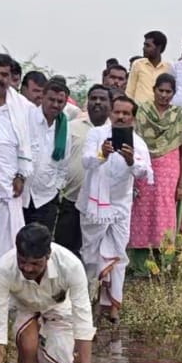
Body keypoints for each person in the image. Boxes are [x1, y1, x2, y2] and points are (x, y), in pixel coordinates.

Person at [0, 224, 94, 363]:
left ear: (48, 256)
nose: (28, 268)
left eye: (35, 263)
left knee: (61, 358)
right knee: (28, 345)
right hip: (23, 305)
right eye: (23, 262)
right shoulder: (3, 269)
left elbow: (83, 319)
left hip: (57, 306)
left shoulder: (70, 265)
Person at [80, 96, 151, 324]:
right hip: (94, 205)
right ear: (111, 113)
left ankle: (112, 307)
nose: (120, 117)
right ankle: (87, 303)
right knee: (90, 256)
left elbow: (144, 173)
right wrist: (103, 154)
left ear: (133, 117)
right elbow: (86, 161)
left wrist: (131, 161)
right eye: (117, 112)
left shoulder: (138, 143)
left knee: (119, 255)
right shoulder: (96, 134)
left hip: (121, 206)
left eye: (126, 114)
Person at [0, 53, 36, 301]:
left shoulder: (24, 107)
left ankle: (4, 305)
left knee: (10, 253)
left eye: (4, 74)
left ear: (11, 78)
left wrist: (22, 174)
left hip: (9, 194)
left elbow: (30, 147)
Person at [130, 74, 182, 256]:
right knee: (142, 210)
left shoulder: (179, 115)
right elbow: (135, 142)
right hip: (145, 169)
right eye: (161, 90)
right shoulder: (143, 112)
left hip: (170, 170)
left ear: (174, 94)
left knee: (166, 211)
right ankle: (140, 261)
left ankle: (164, 259)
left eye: (168, 92)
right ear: (154, 90)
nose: (164, 95)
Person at [22, 79, 77, 251]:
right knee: (18, 239)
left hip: (46, 196)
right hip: (22, 193)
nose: (55, 104)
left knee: (39, 244)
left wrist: (56, 187)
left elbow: (64, 163)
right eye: (51, 99)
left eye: (60, 101)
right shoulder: (27, 117)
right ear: (43, 97)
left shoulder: (63, 126)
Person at [59, 84, 107, 256]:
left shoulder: (115, 131)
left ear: (110, 103)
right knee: (65, 251)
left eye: (102, 99)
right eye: (93, 98)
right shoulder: (73, 126)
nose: (97, 102)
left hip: (100, 205)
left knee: (94, 253)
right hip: (71, 199)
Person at [125, 31, 171, 105]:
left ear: (159, 48)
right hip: (139, 112)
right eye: (144, 45)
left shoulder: (168, 68)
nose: (144, 48)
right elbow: (129, 92)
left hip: (160, 112)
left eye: (148, 46)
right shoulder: (137, 64)